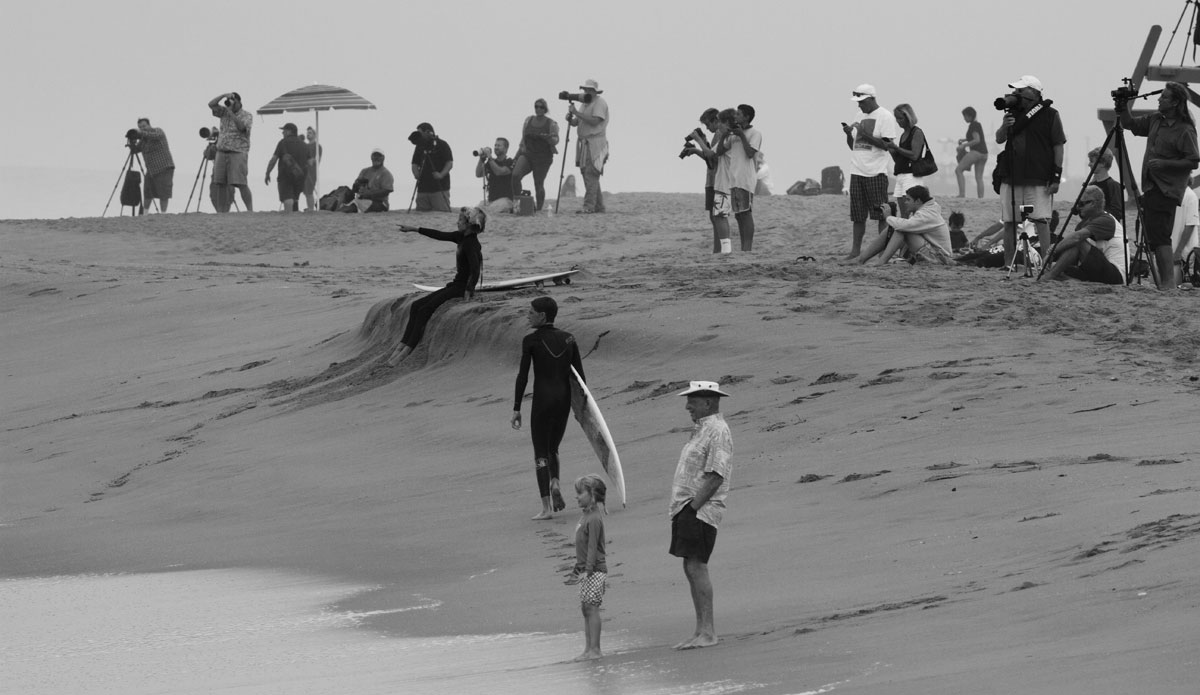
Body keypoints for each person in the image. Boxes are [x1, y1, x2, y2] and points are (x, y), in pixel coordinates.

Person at [1117, 81, 1200, 290]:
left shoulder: (1185, 130)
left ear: (1174, 103)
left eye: (1163, 97)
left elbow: (1193, 160)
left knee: (1161, 235)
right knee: (1155, 236)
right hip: (1152, 186)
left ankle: (1168, 284)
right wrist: (1122, 106)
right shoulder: (1156, 120)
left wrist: (1166, 164)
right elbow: (1130, 125)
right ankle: (1165, 282)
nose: (1159, 100)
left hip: (1168, 188)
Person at [669, 380, 733, 651]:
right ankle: (700, 630)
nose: (688, 406)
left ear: (708, 401)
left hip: (700, 510)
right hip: (687, 508)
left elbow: (717, 475)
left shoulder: (717, 430)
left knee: (697, 566)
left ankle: (708, 631)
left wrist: (693, 508)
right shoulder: (702, 429)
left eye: (692, 401)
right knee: (690, 566)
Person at [511, 296, 585, 520]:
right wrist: (581, 409)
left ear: (542, 316)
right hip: (562, 402)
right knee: (554, 448)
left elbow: (523, 376)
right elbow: (580, 378)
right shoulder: (569, 339)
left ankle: (546, 508)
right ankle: (555, 482)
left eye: (531, 312)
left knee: (540, 453)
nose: (528, 315)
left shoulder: (530, 341)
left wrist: (516, 407)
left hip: (542, 402)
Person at [386, 207, 485, 366]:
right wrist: (414, 229)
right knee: (416, 305)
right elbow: (439, 235)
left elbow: (475, 270)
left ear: (468, 225)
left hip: (460, 288)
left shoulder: (470, 243)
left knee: (425, 309)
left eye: (460, 220)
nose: (456, 222)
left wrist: (468, 292)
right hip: (455, 284)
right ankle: (401, 345)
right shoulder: (461, 237)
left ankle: (406, 352)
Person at [995, 75, 1065, 266]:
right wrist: (1004, 125)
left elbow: (1058, 146)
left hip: (1038, 176)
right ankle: (1008, 262)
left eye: (1020, 90)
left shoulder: (1051, 115)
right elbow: (1000, 139)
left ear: (1033, 93)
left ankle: (1046, 264)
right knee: (1010, 221)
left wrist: (1056, 176)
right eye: (1015, 91)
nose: (1016, 94)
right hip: (1011, 175)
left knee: (1041, 220)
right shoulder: (1013, 115)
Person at [843, 84, 900, 258]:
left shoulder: (885, 116)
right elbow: (854, 146)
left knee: (881, 215)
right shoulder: (859, 115)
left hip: (876, 171)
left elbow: (886, 145)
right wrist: (848, 133)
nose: (859, 105)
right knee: (857, 215)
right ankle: (855, 251)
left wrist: (864, 133)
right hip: (857, 170)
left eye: (861, 102)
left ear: (871, 99)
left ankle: (883, 250)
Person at [1040, 185, 1124, 285]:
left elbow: (1077, 238)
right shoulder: (1083, 224)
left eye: (1081, 204)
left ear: (1092, 203)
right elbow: (1071, 247)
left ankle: (1049, 277)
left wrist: (1052, 252)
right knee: (1062, 267)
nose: (1078, 208)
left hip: (1116, 275)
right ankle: (1062, 277)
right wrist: (1053, 256)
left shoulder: (1106, 220)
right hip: (1096, 268)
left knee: (1078, 242)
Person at [564, 473, 608, 662]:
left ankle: (595, 649)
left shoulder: (594, 519)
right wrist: (578, 569)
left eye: (580, 493)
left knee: (591, 608)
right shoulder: (585, 516)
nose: (577, 496)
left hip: (595, 570)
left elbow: (592, 548)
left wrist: (587, 571)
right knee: (585, 608)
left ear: (592, 494)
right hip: (585, 569)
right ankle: (588, 648)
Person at [852, 185, 954, 266]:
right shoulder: (927, 209)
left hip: (940, 258)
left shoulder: (927, 214)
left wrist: (888, 217)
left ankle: (880, 262)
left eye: (908, 200)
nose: (905, 203)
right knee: (895, 228)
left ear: (918, 201)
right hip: (934, 254)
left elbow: (904, 226)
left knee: (901, 230)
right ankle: (861, 259)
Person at [681, 107, 729, 253]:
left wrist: (698, 141)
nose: (707, 128)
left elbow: (712, 158)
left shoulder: (721, 134)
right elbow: (710, 159)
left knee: (718, 216)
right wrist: (696, 150)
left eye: (708, 124)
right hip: (712, 179)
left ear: (716, 120)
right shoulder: (717, 135)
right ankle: (718, 249)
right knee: (714, 217)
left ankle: (721, 249)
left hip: (718, 180)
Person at [715, 103, 762, 251]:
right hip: (733, 179)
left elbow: (750, 153)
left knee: (746, 213)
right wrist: (724, 136)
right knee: (738, 216)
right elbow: (720, 151)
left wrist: (741, 135)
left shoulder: (755, 133)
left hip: (745, 179)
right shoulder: (734, 135)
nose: (736, 116)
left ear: (747, 117)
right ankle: (743, 248)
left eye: (739, 114)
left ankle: (747, 248)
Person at [566, 79, 609, 213]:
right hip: (585, 143)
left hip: (595, 143)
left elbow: (595, 121)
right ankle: (598, 206)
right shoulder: (585, 103)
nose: (586, 92)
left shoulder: (599, 103)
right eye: (585, 89)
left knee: (591, 173)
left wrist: (577, 113)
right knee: (588, 174)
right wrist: (571, 118)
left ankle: (589, 206)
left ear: (595, 91)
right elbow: (577, 122)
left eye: (589, 90)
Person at [207, 91, 254, 213]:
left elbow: (242, 127)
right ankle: (221, 211)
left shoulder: (246, 115)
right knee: (220, 183)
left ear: (239, 102)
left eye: (233, 102)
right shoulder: (223, 112)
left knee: (241, 183)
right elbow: (211, 104)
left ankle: (250, 210)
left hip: (238, 152)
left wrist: (231, 113)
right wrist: (223, 95)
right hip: (221, 151)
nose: (230, 104)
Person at [511, 98, 560, 211]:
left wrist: (549, 138)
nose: (538, 109)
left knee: (538, 183)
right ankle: (517, 206)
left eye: (541, 107)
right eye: (536, 106)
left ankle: (539, 209)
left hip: (543, 157)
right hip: (528, 154)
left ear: (545, 109)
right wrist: (516, 156)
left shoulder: (551, 123)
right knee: (515, 175)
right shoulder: (528, 120)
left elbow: (556, 140)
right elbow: (523, 140)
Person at [885, 104, 927, 217]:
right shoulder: (904, 135)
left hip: (911, 176)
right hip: (901, 175)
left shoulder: (917, 132)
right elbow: (900, 159)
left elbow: (914, 155)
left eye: (900, 118)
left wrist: (896, 148)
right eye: (897, 118)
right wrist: (891, 149)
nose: (898, 122)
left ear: (908, 117)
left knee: (912, 213)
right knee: (903, 214)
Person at [264, 123, 309, 213]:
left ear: (289, 131)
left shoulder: (283, 142)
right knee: (295, 198)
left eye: (284, 131)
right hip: (300, 176)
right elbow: (309, 162)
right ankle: (295, 219)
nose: (283, 133)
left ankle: (289, 219)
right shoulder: (304, 145)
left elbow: (273, 159)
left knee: (288, 198)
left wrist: (267, 173)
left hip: (285, 175)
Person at [133, 118, 174, 213]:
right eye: (140, 127)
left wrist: (140, 133)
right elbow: (135, 150)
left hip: (164, 167)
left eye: (144, 126)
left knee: (164, 193)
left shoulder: (158, 131)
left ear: (149, 125)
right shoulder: (143, 140)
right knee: (148, 192)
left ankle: (163, 214)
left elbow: (154, 136)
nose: (143, 128)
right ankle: (145, 213)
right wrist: (132, 141)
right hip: (151, 170)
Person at [411, 122, 453, 212]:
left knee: (441, 213)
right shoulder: (419, 146)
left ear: (428, 132)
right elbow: (414, 163)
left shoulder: (442, 144)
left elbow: (449, 162)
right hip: (422, 187)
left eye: (420, 133)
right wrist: (416, 173)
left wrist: (441, 174)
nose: (419, 136)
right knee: (421, 214)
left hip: (439, 187)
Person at [343, 148, 394, 213]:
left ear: (383, 158)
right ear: (371, 157)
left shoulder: (386, 173)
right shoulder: (364, 171)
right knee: (349, 203)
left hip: (380, 203)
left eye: (379, 156)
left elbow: (387, 190)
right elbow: (355, 187)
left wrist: (369, 193)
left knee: (353, 206)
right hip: (362, 200)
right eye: (374, 156)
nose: (376, 158)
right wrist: (358, 186)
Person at [474, 137, 516, 214]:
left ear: (506, 149)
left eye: (499, 145)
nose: (496, 147)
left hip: (506, 200)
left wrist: (489, 158)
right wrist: (481, 159)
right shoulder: (491, 162)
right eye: (495, 145)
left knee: (488, 211)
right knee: (477, 209)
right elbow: (478, 174)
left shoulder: (510, 162)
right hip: (492, 200)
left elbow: (499, 172)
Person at [955, 106, 988, 199]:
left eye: (965, 116)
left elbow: (977, 140)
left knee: (958, 170)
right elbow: (975, 137)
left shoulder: (973, 125)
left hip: (976, 152)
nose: (964, 118)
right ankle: (980, 198)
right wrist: (965, 139)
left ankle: (962, 194)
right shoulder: (978, 124)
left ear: (969, 116)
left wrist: (963, 145)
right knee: (979, 177)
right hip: (984, 154)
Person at [1086, 147, 1125, 224]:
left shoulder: (1113, 186)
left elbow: (1117, 212)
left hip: (1107, 227)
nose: (1089, 164)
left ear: (1102, 164)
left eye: (1092, 161)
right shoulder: (1090, 185)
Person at [1171, 184, 1199, 274]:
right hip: (1170, 250)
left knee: (1179, 284)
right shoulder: (1171, 194)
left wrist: (1178, 252)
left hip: (1183, 255)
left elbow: (1190, 225)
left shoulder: (1190, 196)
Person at [303, 126, 323, 212]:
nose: (308, 134)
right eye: (307, 133)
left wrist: (310, 161)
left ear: (314, 135)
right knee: (305, 191)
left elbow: (316, 160)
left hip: (312, 171)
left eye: (310, 133)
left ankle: (311, 208)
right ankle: (309, 207)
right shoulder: (305, 146)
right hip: (304, 171)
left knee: (309, 191)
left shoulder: (317, 146)